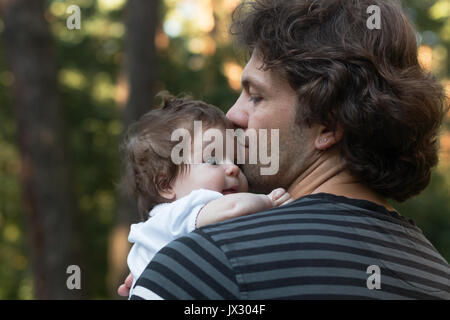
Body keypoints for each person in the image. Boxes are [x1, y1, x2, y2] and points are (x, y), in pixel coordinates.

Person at [120, 0, 450, 299]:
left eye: (255, 96)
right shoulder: (437, 275)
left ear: (328, 126)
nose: (233, 116)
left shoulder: (213, 263)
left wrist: (171, 277)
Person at [121, 93, 293, 296]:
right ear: (166, 185)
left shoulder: (163, 223)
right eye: (212, 161)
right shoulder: (184, 210)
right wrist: (269, 201)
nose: (233, 169)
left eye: (236, 161)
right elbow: (233, 208)